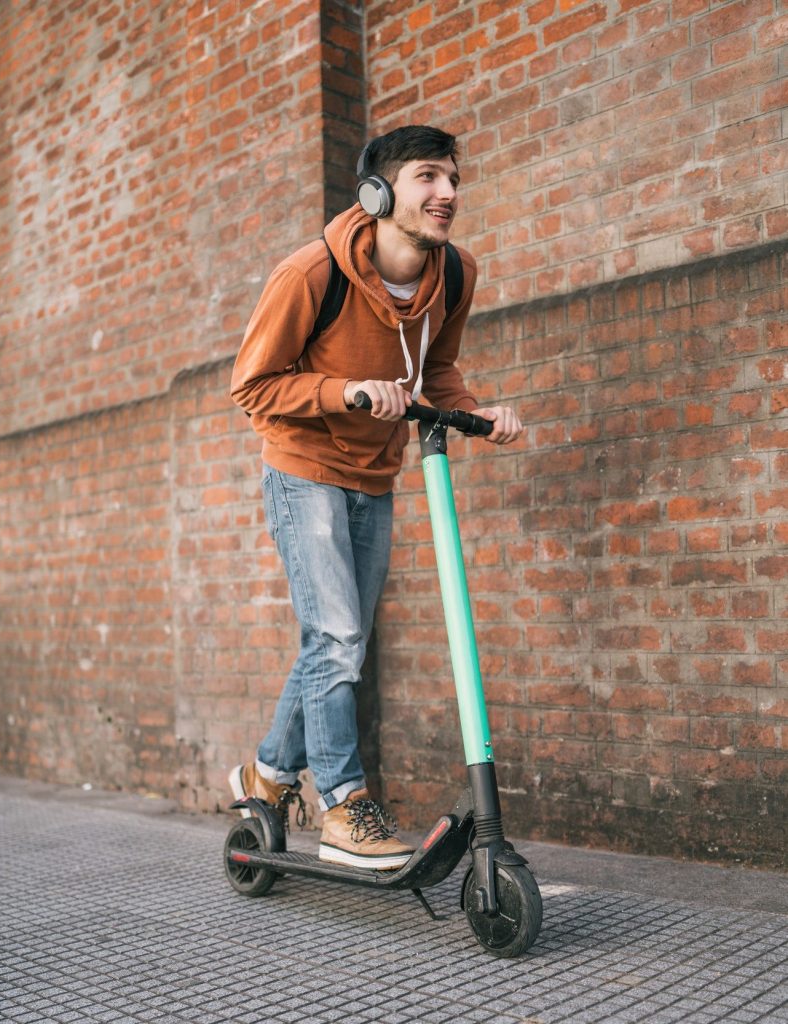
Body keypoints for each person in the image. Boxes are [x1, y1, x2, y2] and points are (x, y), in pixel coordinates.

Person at [228, 125, 523, 871]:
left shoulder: (454, 275)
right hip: (302, 469)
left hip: (374, 475)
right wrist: (347, 390)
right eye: (429, 177)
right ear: (379, 192)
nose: (449, 194)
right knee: (336, 639)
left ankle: (264, 773)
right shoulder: (310, 274)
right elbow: (253, 387)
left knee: (339, 639)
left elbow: (439, 370)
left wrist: (479, 414)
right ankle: (343, 805)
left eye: (454, 178)